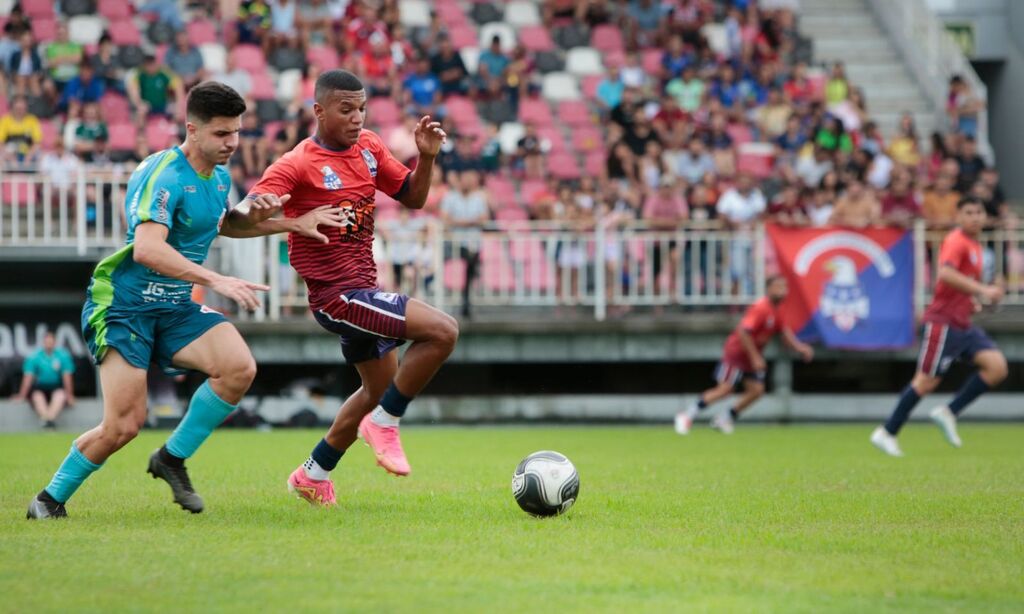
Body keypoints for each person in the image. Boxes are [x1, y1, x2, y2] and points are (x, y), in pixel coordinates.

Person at [25, 82, 344, 520]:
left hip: (173, 306)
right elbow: (147, 249)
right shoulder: (162, 174)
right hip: (125, 306)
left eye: (235, 132)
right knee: (123, 426)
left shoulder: (219, 176)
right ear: (192, 129)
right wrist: (216, 279)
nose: (231, 143)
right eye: (221, 134)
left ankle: (171, 458)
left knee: (238, 368)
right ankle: (47, 499)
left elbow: (225, 225)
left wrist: (293, 222)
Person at [244, 70, 457, 507]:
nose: (357, 117)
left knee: (376, 391)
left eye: (361, 108)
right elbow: (238, 220)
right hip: (335, 296)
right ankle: (385, 423)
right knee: (443, 331)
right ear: (319, 111)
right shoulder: (296, 163)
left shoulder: (370, 148)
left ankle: (313, 473)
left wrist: (427, 158)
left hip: (364, 290)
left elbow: (413, 199)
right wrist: (281, 217)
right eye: (346, 109)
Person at [871, 196, 1008, 457]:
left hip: (962, 323)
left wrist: (978, 302)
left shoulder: (976, 247)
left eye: (979, 212)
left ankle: (949, 412)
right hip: (942, 323)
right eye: (969, 212)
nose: (975, 217)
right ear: (958, 217)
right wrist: (982, 289)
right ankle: (887, 432)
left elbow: (959, 288)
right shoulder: (956, 241)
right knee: (925, 382)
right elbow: (945, 274)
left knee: (997, 367)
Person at [675, 275, 814, 435]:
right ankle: (687, 415)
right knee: (725, 389)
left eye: (784, 287)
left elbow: (783, 330)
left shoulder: (779, 310)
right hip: (737, 353)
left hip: (750, 357)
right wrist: (755, 357)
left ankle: (725, 418)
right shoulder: (760, 308)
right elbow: (743, 332)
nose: (782, 291)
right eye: (778, 286)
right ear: (768, 289)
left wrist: (800, 347)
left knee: (757, 390)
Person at [12, 331, 76, 429]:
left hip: (56, 387)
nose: (49, 344)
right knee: (37, 397)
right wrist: (22, 395)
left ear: (54, 343)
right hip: (40, 388)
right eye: (47, 342)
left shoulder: (63, 356)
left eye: (51, 342)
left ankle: (47, 420)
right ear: (43, 343)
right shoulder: (34, 357)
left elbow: (67, 377)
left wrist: (70, 395)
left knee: (61, 395)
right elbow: (28, 378)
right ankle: (49, 420)